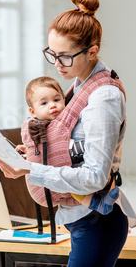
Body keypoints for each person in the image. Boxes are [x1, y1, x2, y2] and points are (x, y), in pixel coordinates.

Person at [0, 0, 136, 267]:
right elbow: (74, 145)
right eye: (52, 53)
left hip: (98, 224)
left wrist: (30, 170)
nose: (57, 64)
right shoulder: (79, 85)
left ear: (92, 51)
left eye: (65, 56)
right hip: (80, 220)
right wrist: (34, 155)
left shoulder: (102, 97)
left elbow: (95, 176)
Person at [19, 75, 119, 215]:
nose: (52, 105)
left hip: (58, 180)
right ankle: (98, 203)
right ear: (33, 112)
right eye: (44, 103)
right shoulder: (44, 126)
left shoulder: (44, 126)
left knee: (74, 188)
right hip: (45, 183)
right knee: (75, 187)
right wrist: (26, 151)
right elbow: (37, 149)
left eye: (56, 99)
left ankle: (99, 204)